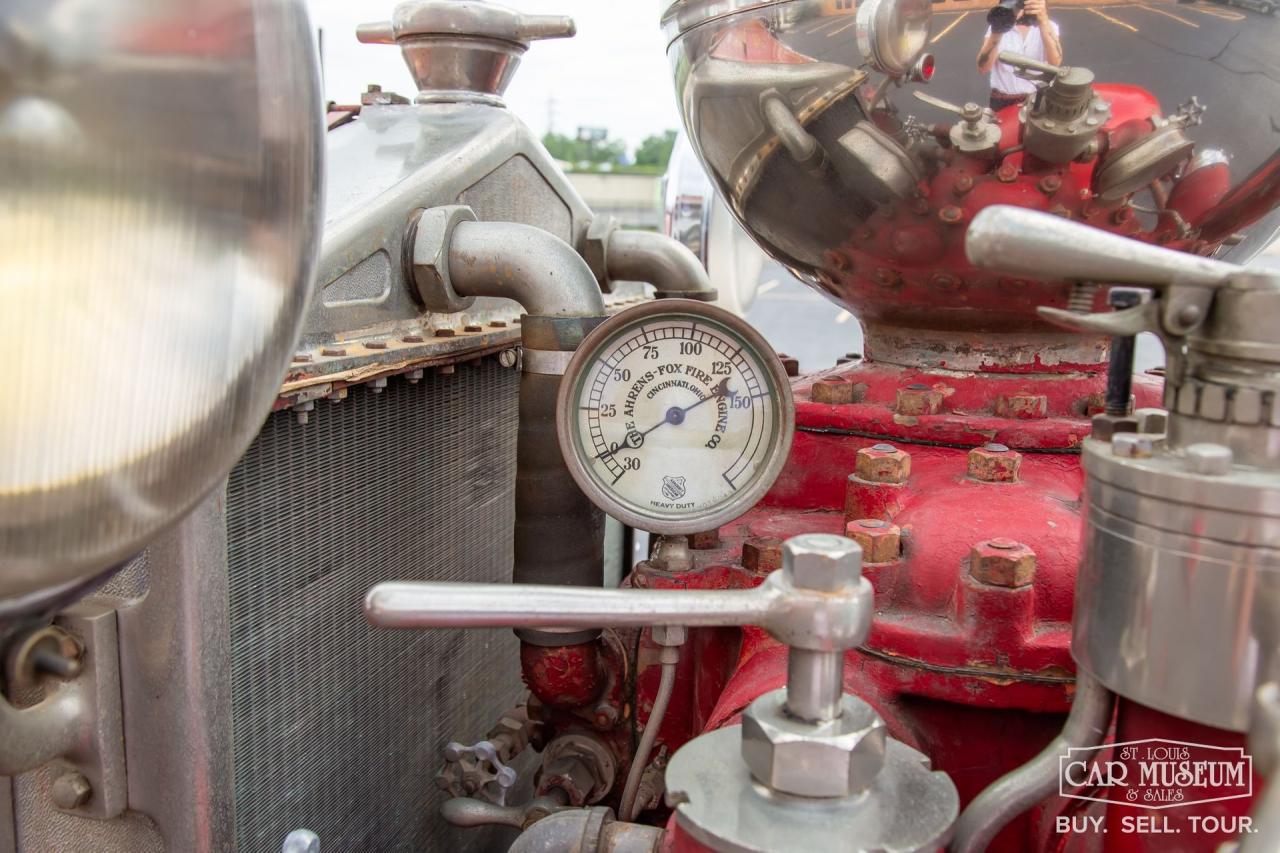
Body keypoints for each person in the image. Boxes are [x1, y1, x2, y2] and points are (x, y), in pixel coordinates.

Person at [976, 0, 1063, 112]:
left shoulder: (1049, 26)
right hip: (1002, 99)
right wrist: (998, 30)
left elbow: (1055, 62)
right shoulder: (997, 27)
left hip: (1036, 98)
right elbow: (983, 68)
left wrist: (1044, 21)